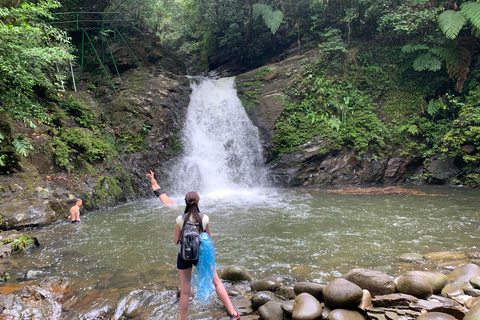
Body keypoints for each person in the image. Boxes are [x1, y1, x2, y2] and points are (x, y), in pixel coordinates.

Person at [147, 172, 240, 320]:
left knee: (185, 291)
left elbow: (176, 240)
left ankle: (183, 319)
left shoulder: (180, 218)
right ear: (198, 202)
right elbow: (208, 239)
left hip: (183, 256)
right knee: (216, 282)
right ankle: (233, 312)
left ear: (185, 202)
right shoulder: (205, 218)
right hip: (201, 256)